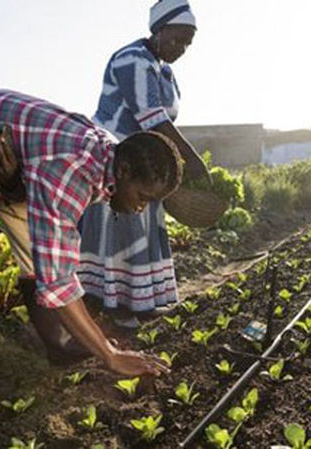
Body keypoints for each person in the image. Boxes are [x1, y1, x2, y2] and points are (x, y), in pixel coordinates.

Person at [0, 89, 174, 420]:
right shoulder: (70, 171)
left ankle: (60, 345)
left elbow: (50, 255)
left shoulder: (110, 155)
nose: (140, 208)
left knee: (35, 248)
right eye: (142, 196)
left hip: (12, 159)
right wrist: (110, 354)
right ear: (123, 172)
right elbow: (59, 279)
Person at [80, 0, 207, 329]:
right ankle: (115, 305)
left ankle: (142, 301)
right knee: (121, 227)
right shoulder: (132, 59)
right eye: (177, 39)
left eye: (187, 44)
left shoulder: (164, 70)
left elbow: (164, 121)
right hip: (116, 158)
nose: (181, 48)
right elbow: (152, 118)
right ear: (159, 30)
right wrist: (190, 160)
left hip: (145, 159)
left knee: (144, 226)